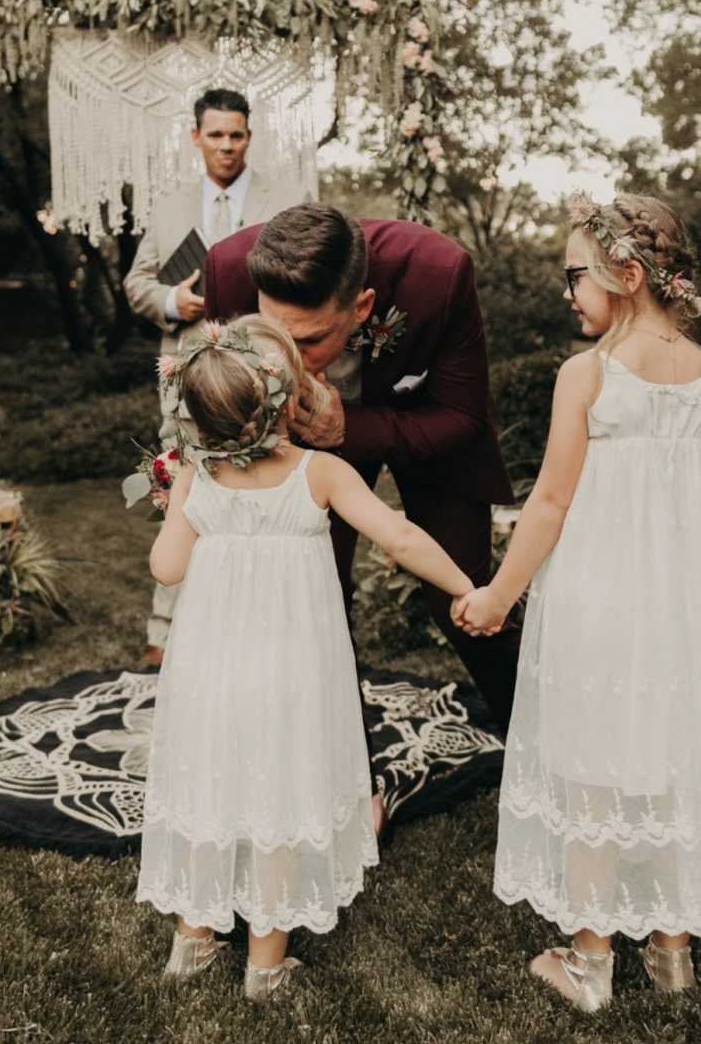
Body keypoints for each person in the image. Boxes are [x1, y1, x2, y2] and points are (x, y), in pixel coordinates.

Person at [452, 192, 701, 1012]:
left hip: (601, 601)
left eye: (577, 274)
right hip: (684, 613)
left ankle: (591, 960)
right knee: (669, 755)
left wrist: (499, 592)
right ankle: (672, 953)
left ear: (627, 275)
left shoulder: (590, 374)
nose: (569, 291)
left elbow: (553, 501)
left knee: (594, 763)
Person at [135, 315, 473, 1002]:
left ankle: (193, 941)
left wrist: (178, 506)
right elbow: (400, 538)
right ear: (289, 399)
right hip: (292, 674)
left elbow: (166, 568)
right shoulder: (323, 472)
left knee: (213, 781)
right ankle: (265, 963)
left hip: (212, 673)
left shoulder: (200, 479)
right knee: (280, 789)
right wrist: (468, 586)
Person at [201, 204, 517, 832]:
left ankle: (545, 739)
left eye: (312, 339)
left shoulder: (440, 272)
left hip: (415, 428)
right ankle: (347, 783)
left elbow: (461, 419)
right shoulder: (228, 269)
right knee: (313, 601)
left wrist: (354, 426)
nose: (288, 357)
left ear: (364, 307)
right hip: (298, 449)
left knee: (460, 597)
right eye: (276, 334)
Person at [124, 88, 311, 664]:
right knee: (180, 484)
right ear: (195, 136)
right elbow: (137, 283)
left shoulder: (285, 199)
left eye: (236, 135)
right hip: (185, 370)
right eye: (216, 135)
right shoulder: (168, 204)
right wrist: (174, 302)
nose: (226, 146)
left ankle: (258, 624)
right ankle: (165, 629)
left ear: (249, 137)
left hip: (261, 369)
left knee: (264, 484)